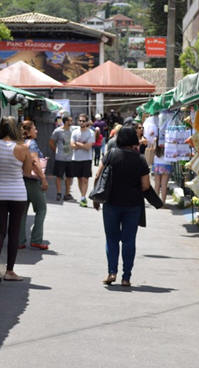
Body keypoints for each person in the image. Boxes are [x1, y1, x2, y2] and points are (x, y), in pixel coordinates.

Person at [94, 126, 150, 287]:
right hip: (133, 205)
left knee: (111, 239)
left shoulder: (111, 154)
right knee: (129, 240)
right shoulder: (140, 159)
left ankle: (112, 272)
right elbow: (145, 185)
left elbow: (98, 175)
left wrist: (96, 198)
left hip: (111, 203)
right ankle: (126, 277)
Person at [0, 116, 33, 283]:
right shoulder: (23, 148)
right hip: (18, 194)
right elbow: (26, 173)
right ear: (15, 129)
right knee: (14, 232)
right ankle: (10, 270)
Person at [19, 120, 49, 250]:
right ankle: (36, 239)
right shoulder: (32, 144)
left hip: (22, 181)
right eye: (34, 128)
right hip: (33, 181)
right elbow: (35, 163)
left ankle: (19, 240)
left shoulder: (20, 143)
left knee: (22, 212)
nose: (36, 131)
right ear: (29, 131)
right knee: (41, 209)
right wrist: (43, 179)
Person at [71, 114, 95, 207]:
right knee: (79, 179)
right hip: (76, 159)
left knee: (85, 179)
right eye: (80, 121)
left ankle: (83, 197)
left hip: (86, 159)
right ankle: (82, 196)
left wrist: (77, 144)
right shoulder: (75, 132)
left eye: (83, 121)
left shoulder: (91, 133)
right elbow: (72, 145)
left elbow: (88, 147)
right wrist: (82, 144)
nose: (81, 122)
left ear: (87, 122)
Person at [49, 115, 74, 201]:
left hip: (70, 158)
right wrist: (57, 151)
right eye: (70, 120)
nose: (72, 122)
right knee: (59, 176)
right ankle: (59, 193)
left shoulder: (73, 130)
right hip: (60, 158)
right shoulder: (58, 131)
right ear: (66, 122)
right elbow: (51, 142)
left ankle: (67, 194)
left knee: (69, 176)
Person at [152, 115, 173, 206]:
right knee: (164, 184)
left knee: (157, 184)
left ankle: (156, 203)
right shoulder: (168, 139)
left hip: (157, 162)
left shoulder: (156, 139)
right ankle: (163, 203)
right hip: (166, 163)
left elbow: (153, 150)